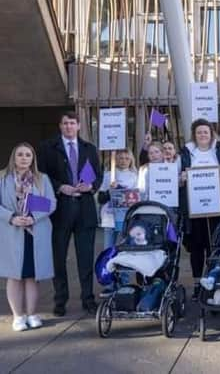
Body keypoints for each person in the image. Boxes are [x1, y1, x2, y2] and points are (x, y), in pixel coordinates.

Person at [38, 111, 103, 316]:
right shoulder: (48, 148)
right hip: (60, 209)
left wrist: (91, 186)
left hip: (84, 208)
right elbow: (42, 175)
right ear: (60, 126)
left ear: (78, 126)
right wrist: (59, 187)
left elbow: (98, 175)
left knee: (85, 258)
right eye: (65, 123)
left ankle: (88, 298)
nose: (69, 126)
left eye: (72, 123)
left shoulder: (89, 149)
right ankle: (60, 300)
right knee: (59, 258)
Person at [0, 143, 57, 331]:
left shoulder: (42, 179)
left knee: (33, 276)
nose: (24, 158)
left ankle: (32, 314)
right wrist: (12, 218)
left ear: (33, 159)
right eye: (20, 155)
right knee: (14, 276)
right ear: (13, 158)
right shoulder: (2, 178)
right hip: (11, 232)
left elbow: (51, 203)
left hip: (35, 231)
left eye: (28, 155)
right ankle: (18, 317)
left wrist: (33, 217)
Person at [180, 119, 220, 300]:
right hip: (194, 209)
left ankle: (214, 281)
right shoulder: (187, 153)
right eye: (199, 132)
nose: (202, 135)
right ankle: (197, 284)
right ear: (194, 135)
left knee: (216, 245)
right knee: (197, 247)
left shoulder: (219, 152)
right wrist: (181, 178)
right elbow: (175, 178)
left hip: (217, 209)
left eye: (206, 132)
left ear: (211, 134)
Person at [97, 148, 138, 297]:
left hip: (126, 221)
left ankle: (124, 283)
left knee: (125, 252)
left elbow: (137, 198)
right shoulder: (108, 176)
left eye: (126, 158)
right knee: (109, 252)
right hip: (109, 219)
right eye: (120, 158)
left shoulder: (134, 177)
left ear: (131, 160)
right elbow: (100, 199)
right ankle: (109, 283)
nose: (123, 160)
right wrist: (109, 191)